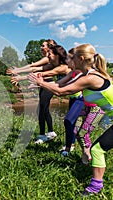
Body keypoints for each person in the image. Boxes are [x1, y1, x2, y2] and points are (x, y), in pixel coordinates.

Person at [28, 43, 112, 196]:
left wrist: (41, 83)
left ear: (80, 59)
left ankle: (95, 187)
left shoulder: (91, 78)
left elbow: (61, 92)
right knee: (96, 148)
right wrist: (40, 84)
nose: (69, 61)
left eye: (72, 58)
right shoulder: (84, 74)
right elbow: (59, 84)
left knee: (97, 149)